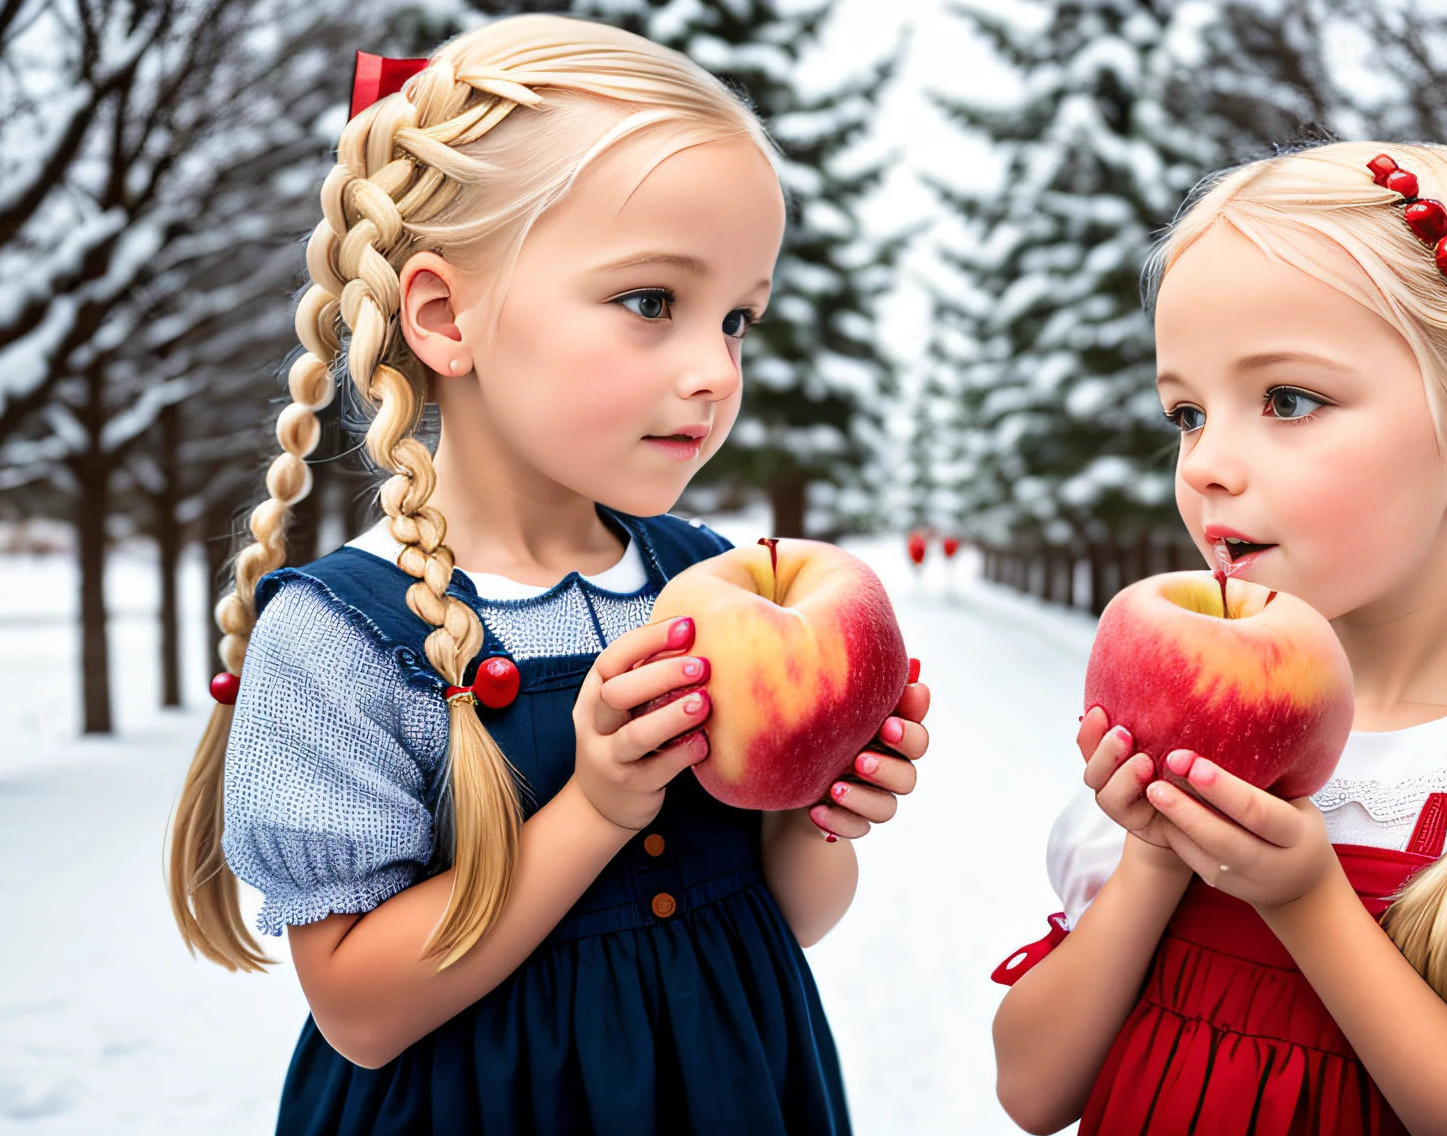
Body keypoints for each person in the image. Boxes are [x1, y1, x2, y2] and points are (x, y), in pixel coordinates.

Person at [165, 17, 929, 1133]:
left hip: (730, 1085)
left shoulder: (710, 581)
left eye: (737, 318)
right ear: (443, 315)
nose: (716, 370)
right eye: (651, 302)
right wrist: (598, 805)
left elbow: (784, 918)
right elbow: (360, 1009)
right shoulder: (344, 635)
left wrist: (818, 811)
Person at [991, 143, 1447, 1136]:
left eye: (1287, 399)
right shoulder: (1188, 733)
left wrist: (1309, 906)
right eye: (1186, 412)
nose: (1203, 463)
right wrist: (1153, 861)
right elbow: (1030, 1090)